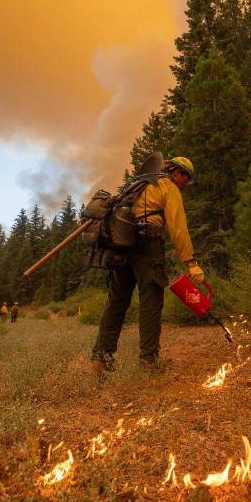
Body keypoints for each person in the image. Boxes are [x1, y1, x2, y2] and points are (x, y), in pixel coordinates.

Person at [91, 156, 204, 371]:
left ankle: (100, 360)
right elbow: (178, 227)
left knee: (116, 303)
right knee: (151, 301)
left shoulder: (138, 184)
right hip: (147, 244)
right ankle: (148, 362)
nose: (186, 185)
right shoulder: (168, 187)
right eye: (186, 180)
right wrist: (190, 261)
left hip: (121, 244)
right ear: (179, 173)